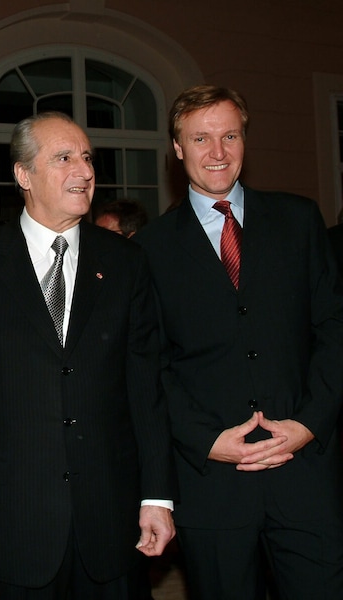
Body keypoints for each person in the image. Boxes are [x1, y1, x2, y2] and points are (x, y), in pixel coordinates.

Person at [0, 112, 176, 599]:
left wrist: (157, 496)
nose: (84, 171)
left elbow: (146, 386)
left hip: (110, 521)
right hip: (11, 522)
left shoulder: (126, 262)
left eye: (87, 158)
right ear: (24, 175)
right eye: (64, 158)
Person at [135, 85, 343, 600]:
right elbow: (151, 367)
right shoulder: (149, 250)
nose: (218, 152)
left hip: (305, 474)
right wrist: (207, 441)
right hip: (212, 487)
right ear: (178, 149)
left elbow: (335, 331)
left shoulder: (299, 221)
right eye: (200, 138)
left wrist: (308, 425)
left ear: (245, 140)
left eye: (229, 135)